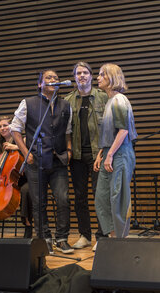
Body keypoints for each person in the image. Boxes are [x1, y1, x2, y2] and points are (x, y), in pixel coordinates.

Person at [11, 69, 74, 254]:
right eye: (49, 78)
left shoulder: (65, 105)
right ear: (40, 84)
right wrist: (25, 152)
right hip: (36, 160)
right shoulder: (28, 103)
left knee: (63, 200)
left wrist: (69, 150)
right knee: (39, 203)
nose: (54, 80)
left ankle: (62, 238)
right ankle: (44, 239)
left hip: (59, 160)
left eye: (56, 78)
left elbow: (68, 131)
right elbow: (15, 129)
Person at [64, 62, 108, 249]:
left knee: (100, 196)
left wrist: (105, 152)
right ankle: (85, 235)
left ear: (91, 75)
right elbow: (65, 130)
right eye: (78, 73)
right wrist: (67, 149)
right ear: (74, 77)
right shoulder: (67, 101)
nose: (82, 76)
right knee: (80, 197)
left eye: (85, 72)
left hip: (98, 153)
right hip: (76, 155)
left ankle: (102, 236)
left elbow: (109, 127)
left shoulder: (103, 97)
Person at [93, 63, 137, 245]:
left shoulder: (120, 100)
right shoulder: (109, 101)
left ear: (112, 78)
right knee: (102, 199)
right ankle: (113, 238)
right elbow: (109, 133)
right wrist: (102, 153)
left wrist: (109, 154)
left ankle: (120, 241)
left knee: (118, 198)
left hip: (120, 154)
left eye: (102, 74)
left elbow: (123, 131)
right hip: (109, 153)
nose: (98, 78)